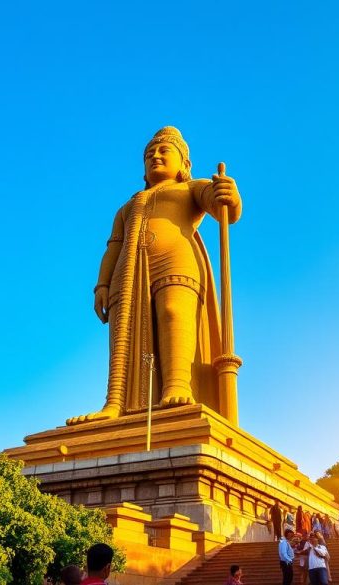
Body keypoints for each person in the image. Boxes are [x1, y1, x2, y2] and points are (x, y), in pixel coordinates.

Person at [69, 126, 243, 425]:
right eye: (149, 154)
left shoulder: (191, 188)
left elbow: (222, 208)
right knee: (123, 333)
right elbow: (113, 247)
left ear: (185, 163)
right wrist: (102, 284)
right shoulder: (127, 206)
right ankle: (115, 402)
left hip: (176, 261)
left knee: (174, 313)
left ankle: (178, 386)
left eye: (164, 151)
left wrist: (230, 196)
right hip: (127, 272)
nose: (155, 156)